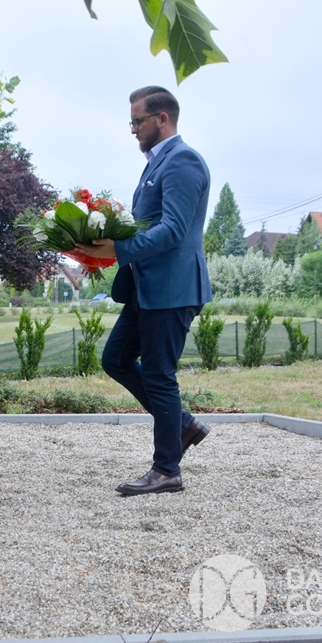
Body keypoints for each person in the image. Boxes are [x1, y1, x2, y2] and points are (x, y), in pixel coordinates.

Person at [76, 86, 213, 496]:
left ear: (162, 119)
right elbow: (146, 224)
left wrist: (117, 250)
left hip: (172, 288)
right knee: (115, 359)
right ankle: (182, 424)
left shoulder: (183, 160)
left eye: (137, 121)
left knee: (158, 375)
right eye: (132, 121)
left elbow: (173, 230)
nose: (133, 129)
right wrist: (99, 249)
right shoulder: (157, 162)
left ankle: (167, 470)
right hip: (146, 287)